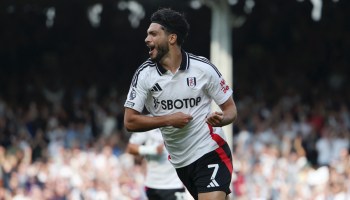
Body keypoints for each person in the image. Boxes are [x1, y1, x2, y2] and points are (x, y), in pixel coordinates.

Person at [124, 8, 237, 200]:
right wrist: (168, 119)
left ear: (172, 38)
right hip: (181, 162)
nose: (147, 39)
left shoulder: (203, 69)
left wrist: (221, 119)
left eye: (153, 33)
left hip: (210, 150)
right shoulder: (144, 75)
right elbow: (130, 121)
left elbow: (231, 109)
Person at [126, 127, 187, 200]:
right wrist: (152, 150)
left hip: (174, 184)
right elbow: (130, 148)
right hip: (152, 185)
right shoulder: (148, 123)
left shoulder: (176, 120)